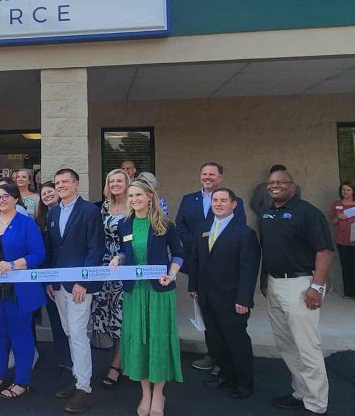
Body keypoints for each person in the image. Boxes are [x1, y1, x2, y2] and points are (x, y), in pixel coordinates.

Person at [259, 169, 332, 415]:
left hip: (301, 286)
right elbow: (268, 249)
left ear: (293, 185)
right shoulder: (267, 213)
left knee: (307, 346)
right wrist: (264, 280)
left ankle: (317, 403)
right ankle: (301, 392)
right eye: (271, 183)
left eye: (281, 182)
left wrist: (317, 287)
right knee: (287, 345)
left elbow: (324, 251)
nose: (275, 186)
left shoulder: (308, 213)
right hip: (275, 284)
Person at [111, 179, 184, 416]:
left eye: (138, 195)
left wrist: (171, 275)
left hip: (158, 292)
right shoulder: (125, 224)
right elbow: (126, 252)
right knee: (138, 340)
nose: (134, 199)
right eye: (130, 196)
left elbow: (179, 254)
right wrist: (118, 259)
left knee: (158, 340)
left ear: (150, 196)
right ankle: (145, 393)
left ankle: (159, 393)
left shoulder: (165, 224)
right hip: (135, 291)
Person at [188, 188, 261, 399]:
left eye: (223, 200)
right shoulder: (204, 228)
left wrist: (244, 299)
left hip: (232, 299)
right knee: (216, 340)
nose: (218, 204)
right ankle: (226, 376)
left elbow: (249, 269)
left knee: (236, 341)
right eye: (215, 200)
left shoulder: (245, 233)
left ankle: (244, 383)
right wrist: (193, 286)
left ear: (233, 204)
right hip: (207, 296)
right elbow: (196, 259)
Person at [0, 183, 46, 399]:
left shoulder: (26, 223)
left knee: (20, 334)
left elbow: (38, 254)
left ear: (16, 199)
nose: (1, 199)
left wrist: (14, 264)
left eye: (6, 196)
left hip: (17, 289)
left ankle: (22, 381)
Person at [174, 162, 246, 372]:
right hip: (198, 263)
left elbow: (239, 230)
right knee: (205, 312)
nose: (208, 177)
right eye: (204, 173)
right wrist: (199, 243)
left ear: (220, 177)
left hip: (224, 266)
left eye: (212, 174)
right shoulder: (189, 200)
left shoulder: (235, 202)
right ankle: (213, 354)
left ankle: (227, 359)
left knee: (224, 315)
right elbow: (180, 226)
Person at [46, 169, 104, 413]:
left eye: (65, 182)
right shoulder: (53, 211)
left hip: (79, 286)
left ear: (76, 184)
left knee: (78, 334)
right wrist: (49, 279)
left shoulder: (89, 211)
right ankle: (78, 378)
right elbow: (53, 249)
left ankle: (84, 389)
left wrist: (84, 280)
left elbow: (95, 249)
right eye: (57, 182)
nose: (61, 186)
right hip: (58, 284)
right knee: (70, 332)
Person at [91, 169, 129, 387]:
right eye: (111, 181)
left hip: (127, 266)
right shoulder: (102, 207)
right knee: (107, 315)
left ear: (127, 183)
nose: (115, 184)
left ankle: (117, 364)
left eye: (119, 180)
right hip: (105, 268)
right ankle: (121, 359)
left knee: (123, 316)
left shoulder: (134, 205)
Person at [36, 181, 70, 368]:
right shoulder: (41, 220)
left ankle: (75, 359)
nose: (47, 195)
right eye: (44, 194)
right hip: (47, 275)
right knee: (55, 318)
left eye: (50, 192)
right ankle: (64, 358)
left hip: (68, 273)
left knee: (70, 321)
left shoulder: (72, 214)